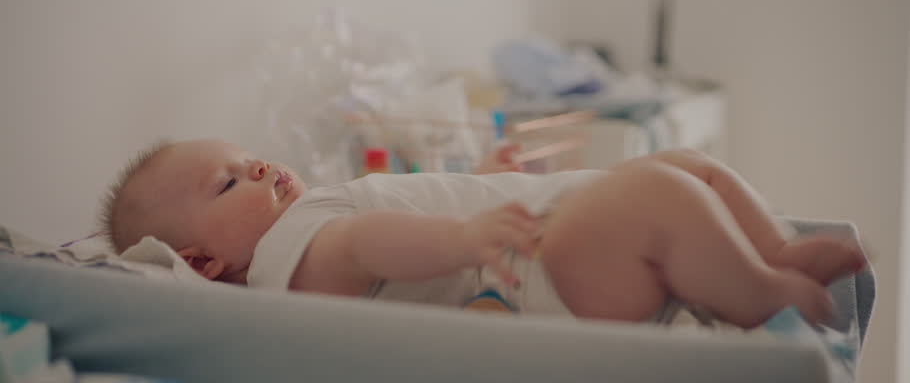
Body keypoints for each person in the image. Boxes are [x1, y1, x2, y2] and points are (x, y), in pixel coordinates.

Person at [102, 139, 865, 328]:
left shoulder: (307, 212)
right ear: (200, 260)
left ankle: (773, 247)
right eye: (229, 181)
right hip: (547, 275)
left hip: (551, 235)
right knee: (655, 189)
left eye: (248, 154)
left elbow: (396, 218)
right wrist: (465, 239)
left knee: (684, 167)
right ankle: (765, 294)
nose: (259, 166)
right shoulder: (282, 262)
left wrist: (482, 172)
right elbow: (371, 246)